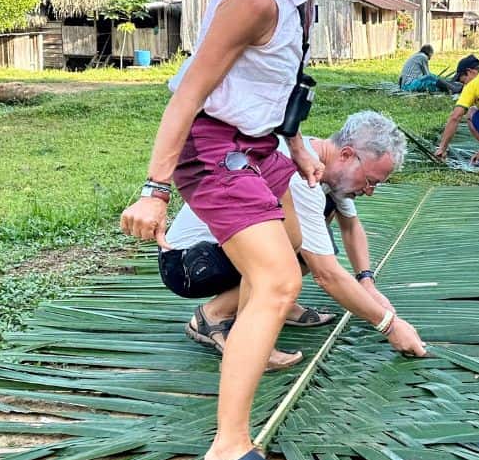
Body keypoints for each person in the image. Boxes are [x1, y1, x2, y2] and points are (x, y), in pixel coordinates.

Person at [120, 0, 425, 460]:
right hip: (215, 147)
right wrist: (154, 189)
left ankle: (229, 328)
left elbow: (278, 88)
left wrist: (296, 148)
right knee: (281, 280)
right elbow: (188, 94)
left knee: (292, 251)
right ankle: (227, 451)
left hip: (259, 145)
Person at [159, 112, 420, 372]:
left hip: (218, 248)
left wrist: (366, 282)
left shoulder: (319, 160)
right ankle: (216, 315)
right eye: (371, 181)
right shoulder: (302, 177)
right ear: (347, 155)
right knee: (304, 249)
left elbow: (351, 227)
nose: (370, 191)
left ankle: (278, 303)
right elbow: (326, 274)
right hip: (189, 263)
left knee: (315, 237)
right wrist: (389, 325)